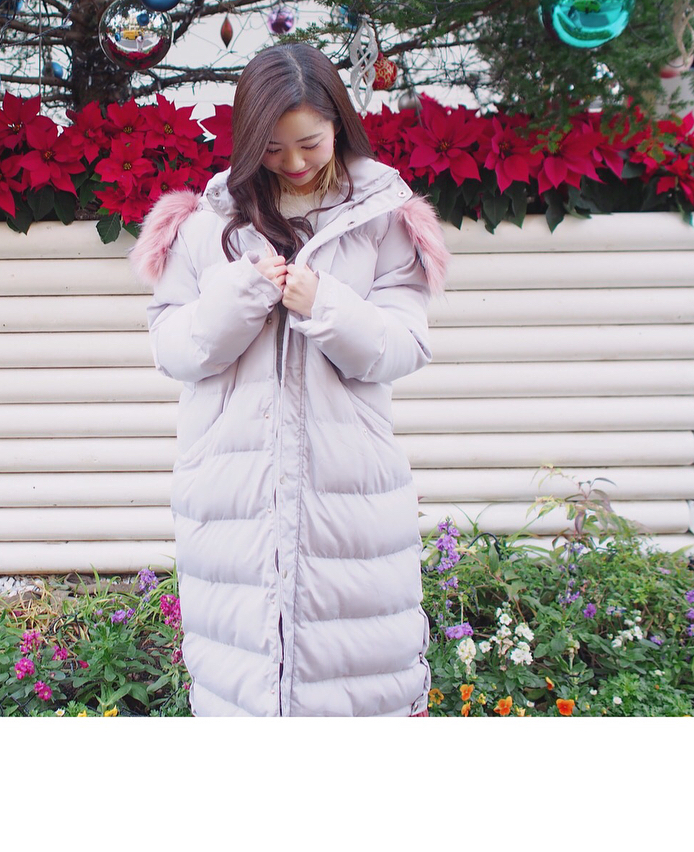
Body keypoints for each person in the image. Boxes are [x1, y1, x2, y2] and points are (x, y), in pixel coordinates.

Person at [128, 43, 451, 716]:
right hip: (231, 502)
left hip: (351, 499)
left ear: (339, 124)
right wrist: (241, 296)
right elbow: (175, 349)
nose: (296, 162)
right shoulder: (204, 227)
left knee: (360, 686)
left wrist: (325, 304)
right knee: (242, 687)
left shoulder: (382, 220)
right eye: (273, 148)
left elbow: (404, 345)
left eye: (310, 142)